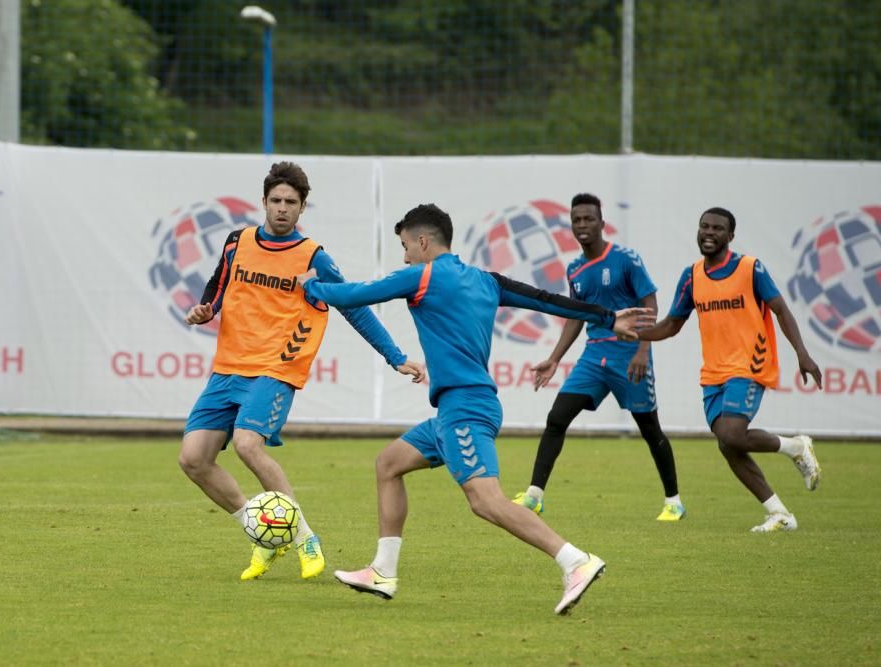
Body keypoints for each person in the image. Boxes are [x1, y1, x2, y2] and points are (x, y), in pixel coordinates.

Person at [297, 203, 655, 614]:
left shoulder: (423, 275)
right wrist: (608, 318)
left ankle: (575, 560)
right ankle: (383, 570)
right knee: (389, 464)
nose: (404, 256)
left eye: (405, 246)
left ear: (423, 241)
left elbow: (356, 295)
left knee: (486, 501)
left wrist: (310, 286)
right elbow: (549, 301)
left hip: (465, 408)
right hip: (456, 409)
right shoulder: (487, 280)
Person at [178, 161, 425, 582]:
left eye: (291, 202)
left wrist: (395, 356)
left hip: (277, 367)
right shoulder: (237, 242)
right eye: (275, 200)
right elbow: (217, 289)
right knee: (193, 460)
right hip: (229, 368)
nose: (281, 209)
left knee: (247, 444)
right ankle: (262, 533)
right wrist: (204, 311)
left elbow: (354, 308)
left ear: (302, 207)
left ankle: (305, 538)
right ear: (263, 202)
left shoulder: (313, 257)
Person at [636, 206, 823, 533]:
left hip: (751, 363)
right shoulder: (692, 275)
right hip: (714, 374)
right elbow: (671, 324)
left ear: (730, 236)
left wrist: (802, 354)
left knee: (732, 434)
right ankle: (780, 513)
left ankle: (796, 447)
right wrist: (633, 333)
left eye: (717, 228)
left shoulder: (750, 268)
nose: (709, 232)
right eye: (704, 226)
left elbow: (780, 309)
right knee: (728, 445)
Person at [513, 193, 684, 522]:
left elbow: (650, 304)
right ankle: (535, 496)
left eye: (588, 219)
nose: (582, 225)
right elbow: (575, 317)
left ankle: (674, 501)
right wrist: (554, 358)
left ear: (602, 223)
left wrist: (643, 350)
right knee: (557, 417)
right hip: (594, 357)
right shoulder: (575, 268)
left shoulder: (626, 259)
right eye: (576, 220)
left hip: (629, 354)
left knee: (649, 428)